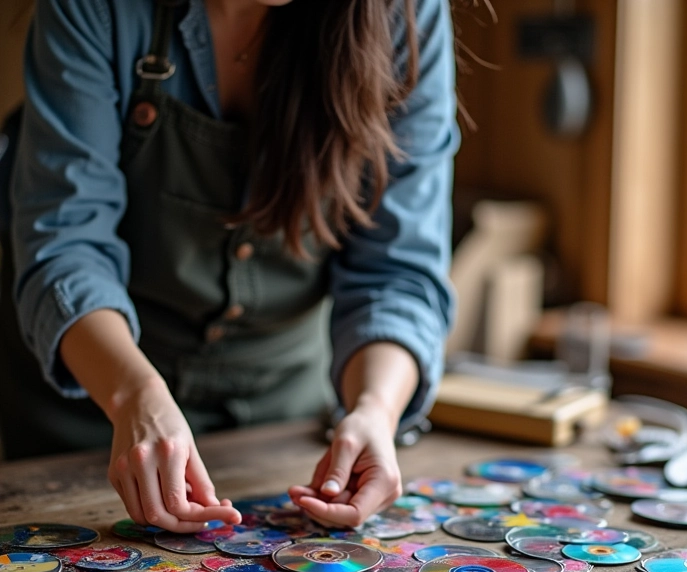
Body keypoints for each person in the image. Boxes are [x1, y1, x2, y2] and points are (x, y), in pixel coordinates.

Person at [0, 0, 458, 532]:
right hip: (92, 412)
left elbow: (397, 272)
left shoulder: (407, 13)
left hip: (281, 425)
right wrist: (133, 395)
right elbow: (65, 244)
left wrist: (375, 410)